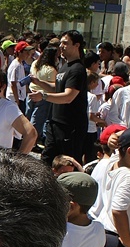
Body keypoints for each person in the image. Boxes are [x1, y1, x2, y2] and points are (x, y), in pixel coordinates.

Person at [30, 30, 88, 166]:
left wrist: (43, 96)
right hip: (55, 123)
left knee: (67, 164)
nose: (61, 46)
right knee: (46, 160)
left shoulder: (78, 69)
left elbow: (68, 96)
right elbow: (57, 88)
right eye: (60, 43)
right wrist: (40, 83)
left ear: (77, 45)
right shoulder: (64, 67)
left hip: (70, 127)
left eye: (65, 43)